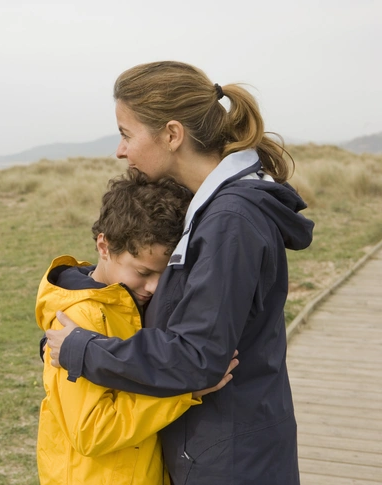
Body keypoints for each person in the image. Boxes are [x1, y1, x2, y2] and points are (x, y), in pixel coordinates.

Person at [44, 61, 314, 485]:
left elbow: (198, 357)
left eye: (126, 134)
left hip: (231, 463)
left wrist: (82, 350)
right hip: (223, 447)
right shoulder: (212, 210)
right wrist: (70, 333)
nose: (120, 151)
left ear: (171, 135)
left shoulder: (230, 220)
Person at [36, 168, 236, 485]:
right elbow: (91, 432)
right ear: (104, 246)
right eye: (143, 272)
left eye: (165, 275)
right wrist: (183, 391)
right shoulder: (79, 318)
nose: (154, 287)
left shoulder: (134, 302)